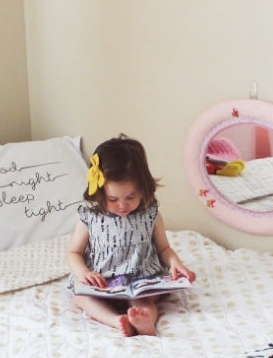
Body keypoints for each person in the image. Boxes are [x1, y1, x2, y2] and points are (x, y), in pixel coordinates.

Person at [66, 134, 196, 336]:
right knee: (80, 297)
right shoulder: (90, 217)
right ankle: (116, 320)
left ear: (143, 189)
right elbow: (73, 252)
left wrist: (175, 263)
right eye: (112, 198)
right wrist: (84, 273)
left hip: (140, 279)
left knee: (144, 301)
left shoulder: (150, 215)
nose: (122, 205)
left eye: (130, 197)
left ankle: (144, 322)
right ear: (99, 192)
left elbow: (163, 248)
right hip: (101, 281)